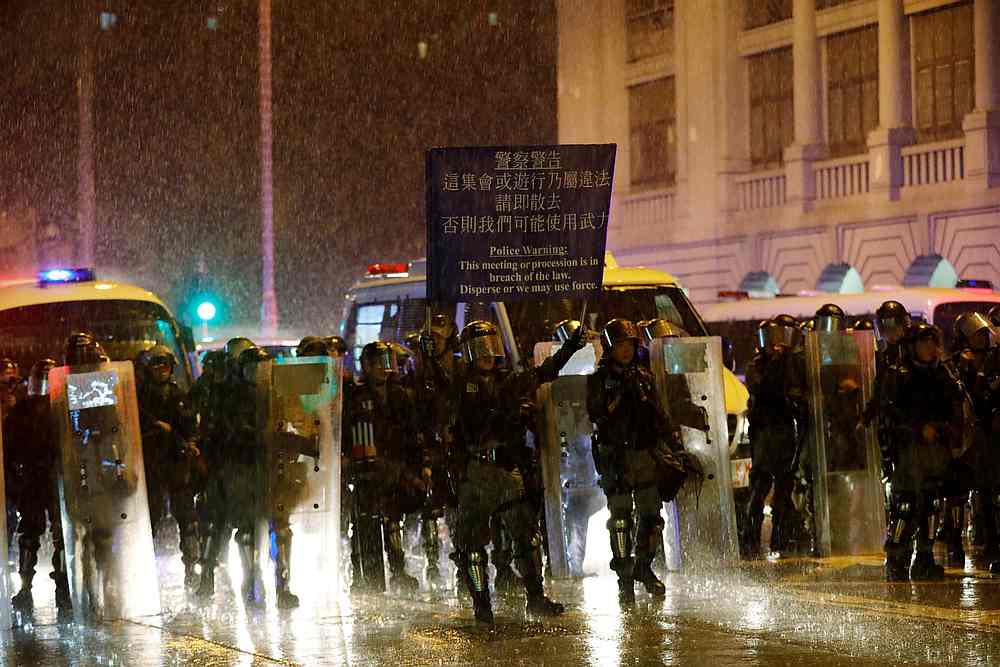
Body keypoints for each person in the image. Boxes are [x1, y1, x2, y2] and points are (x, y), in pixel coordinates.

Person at [451, 320, 584, 623]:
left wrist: (568, 349)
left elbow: (544, 373)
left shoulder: (508, 381)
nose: (487, 355)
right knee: (472, 547)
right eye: (480, 348)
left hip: (508, 468)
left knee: (527, 536)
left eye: (491, 347)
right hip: (477, 471)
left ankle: (536, 597)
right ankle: (482, 606)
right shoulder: (459, 386)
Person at [587, 319, 685, 606]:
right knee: (620, 521)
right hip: (615, 457)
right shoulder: (599, 379)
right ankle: (624, 578)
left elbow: (659, 417)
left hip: (643, 455)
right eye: (620, 345)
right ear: (609, 348)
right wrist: (620, 393)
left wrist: (676, 448)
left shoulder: (644, 376)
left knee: (652, 518)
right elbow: (597, 415)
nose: (626, 351)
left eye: (629, 344)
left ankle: (644, 567)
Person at [882, 323, 967, 581]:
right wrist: (917, 429)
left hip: (936, 448)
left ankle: (925, 559)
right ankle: (896, 558)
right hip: (910, 448)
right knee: (906, 505)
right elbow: (891, 412)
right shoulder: (900, 374)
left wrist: (948, 433)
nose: (930, 348)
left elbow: (954, 404)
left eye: (933, 341)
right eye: (923, 342)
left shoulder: (942, 373)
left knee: (931, 504)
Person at [344, 341, 424, 593]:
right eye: (377, 363)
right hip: (366, 469)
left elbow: (411, 432)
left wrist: (416, 467)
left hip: (394, 466)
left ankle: (399, 570)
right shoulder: (355, 396)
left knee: (392, 520)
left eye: (386, 363)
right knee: (365, 524)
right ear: (366, 366)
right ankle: (365, 575)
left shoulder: (400, 395)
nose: (383, 369)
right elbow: (346, 431)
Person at [3, 358, 71, 613]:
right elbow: (8, 451)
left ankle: (62, 586)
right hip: (33, 478)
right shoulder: (22, 411)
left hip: (53, 478)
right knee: (30, 537)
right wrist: (15, 481)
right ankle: (25, 588)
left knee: (59, 535)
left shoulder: (59, 407)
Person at [135, 345, 202, 590]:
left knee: (187, 519)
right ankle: (143, 574)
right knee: (147, 521)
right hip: (150, 465)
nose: (162, 370)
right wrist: (154, 427)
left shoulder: (178, 395)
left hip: (175, 463)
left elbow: (189, 427)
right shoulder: (138, 397)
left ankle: (191, 568)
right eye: (156, 365)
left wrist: (190, 442)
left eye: (165, 365)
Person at [743, 316, 807, 558]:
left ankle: (782, 538)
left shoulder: (792, 362)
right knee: (760, 486)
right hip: (765, 431)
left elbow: (798, 391)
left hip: (786, 430)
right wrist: (778, 362)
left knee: (784, 486)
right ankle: (750, 539)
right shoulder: (757, 366)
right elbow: (766, 389)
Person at [948, 312, 999, 569]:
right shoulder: (957, 362)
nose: (982, 338)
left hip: (990, 432)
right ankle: (953, 541)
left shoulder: (993, 358)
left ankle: (992, 541)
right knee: (958, 492)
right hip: (967, 434)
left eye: (983, 333)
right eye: (977, 334)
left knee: (991, 491)